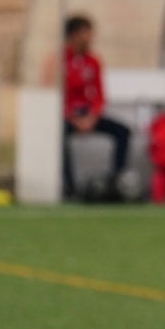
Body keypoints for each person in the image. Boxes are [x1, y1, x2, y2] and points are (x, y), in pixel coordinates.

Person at [60, 14, 132, 199]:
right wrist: (72, 117)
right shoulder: (59, 61)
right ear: (74, 35)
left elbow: (99, 95)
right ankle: (69, 187)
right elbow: (58, 95)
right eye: (86, 33)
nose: (90, 38)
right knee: (58, 137)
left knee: (123, 131)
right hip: (68, 115)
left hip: (88, 115)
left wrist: (92, 117)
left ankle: (116, 181)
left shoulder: (93, 61)